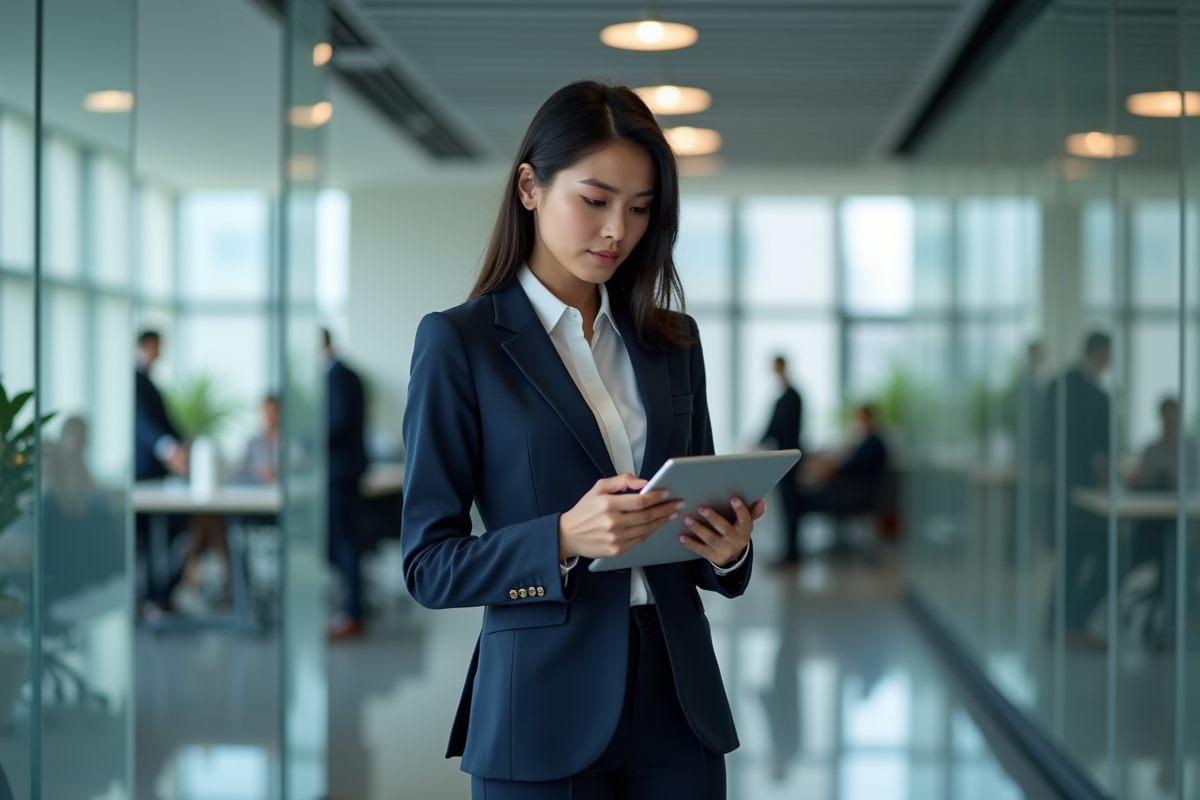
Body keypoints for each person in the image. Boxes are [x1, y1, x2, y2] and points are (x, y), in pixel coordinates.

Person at [401, 81, 764, 799]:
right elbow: (428, 565)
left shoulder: (672, 341)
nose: (616, 232)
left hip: (677, 702)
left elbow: (696, 512)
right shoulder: (460, 343)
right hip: (539, 705)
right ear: (530, 187)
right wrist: (562, 537)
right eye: (594, 201)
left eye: (639, 209)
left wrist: (730, 548)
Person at [1041, 331, 1111, 646]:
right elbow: (1099, 450)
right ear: (1102, 354)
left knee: (1070, 557)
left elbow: (1043, 437)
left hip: (1059, 486)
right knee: (1108, 556)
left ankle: (1057, 621)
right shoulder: (1096, 395)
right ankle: (1074, 623)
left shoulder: (1058, 383)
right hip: (1081, 491)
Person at [134, 330, 190, 614]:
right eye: (159, 345)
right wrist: (171, 451)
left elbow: (166, 423)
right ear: (148, 345)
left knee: (181, 527)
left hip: (159, 473)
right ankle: (154, 596)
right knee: (164, 530)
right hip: (145, 474)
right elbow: (144, 424)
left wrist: (186, 444)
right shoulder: (134, 379)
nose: (162, 351)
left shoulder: (149, 380)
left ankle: (159, 595)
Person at [324, 330, 368, 640]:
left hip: (339, 472)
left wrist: (308, 439)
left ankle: (353, 611)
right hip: (346, 470)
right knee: (342, 540)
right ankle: (352, 605)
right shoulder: (346, 374)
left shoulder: (337, 377)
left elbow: (337, 421)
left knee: (343, 541)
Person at [761, 356, 804, 565]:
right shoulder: (788, 396)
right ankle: (789, 551)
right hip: (785, 456)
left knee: (790, 505)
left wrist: (759, 442)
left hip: (789, 458)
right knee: (788, 506)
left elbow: (777, 427)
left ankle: (792, 553)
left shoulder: (791, 397)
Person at [240, 395, 282, 483]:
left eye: (273, 412)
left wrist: (276, 471)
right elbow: (244, 467)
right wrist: (259, 470)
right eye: (267, 412)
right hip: (258, 490)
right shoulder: (253, 442)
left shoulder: (288, 441)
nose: (270, 417)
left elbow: (297, 465)